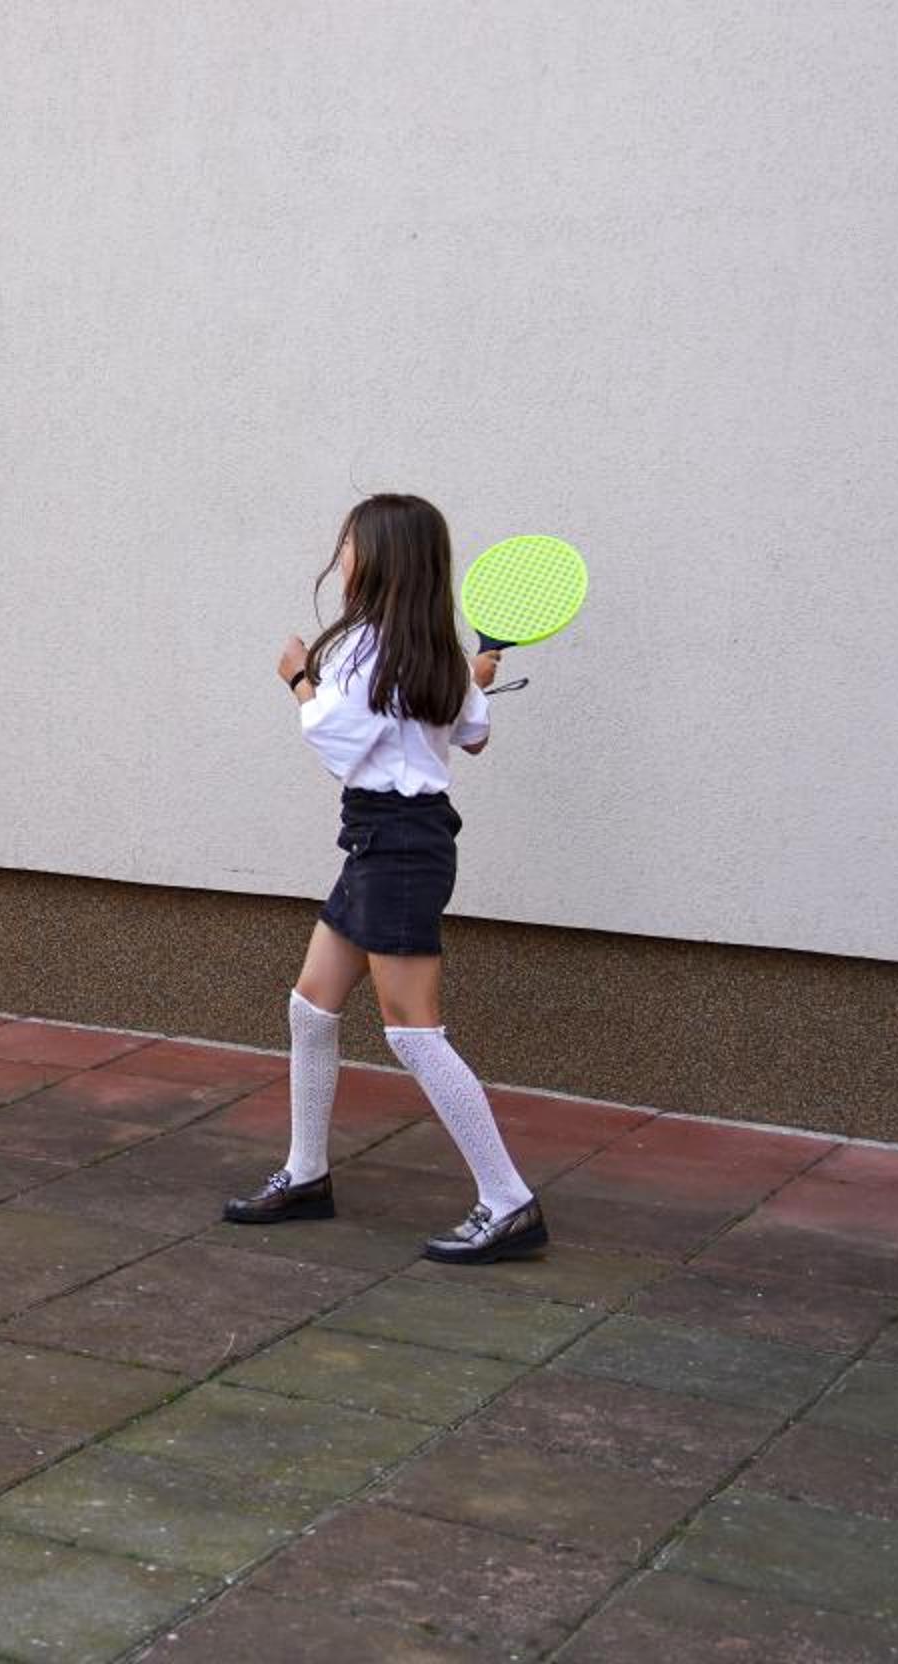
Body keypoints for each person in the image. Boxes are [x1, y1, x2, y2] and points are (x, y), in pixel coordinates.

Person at [222, 492, 544, 1262]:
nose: (341, 557)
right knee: (311, 1006)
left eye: (349, 545)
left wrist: (297, 678)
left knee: (413, 1032)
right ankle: (307, 1174)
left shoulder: (364, 650)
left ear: (380, 561)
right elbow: (472, 735)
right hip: (387, 842)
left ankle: (509, 1201)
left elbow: (337, 742)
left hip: (396, 849)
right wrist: (472, 676)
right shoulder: (432, 650)